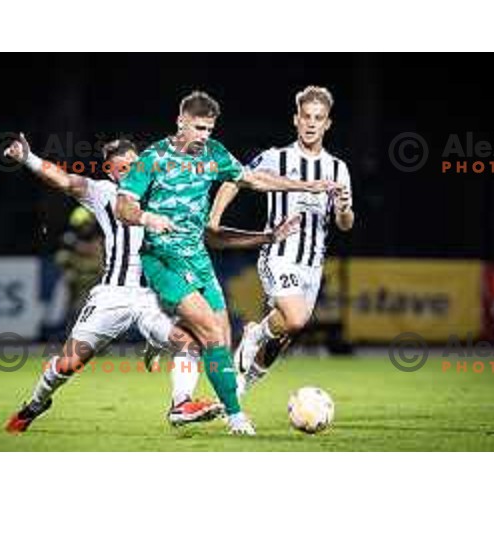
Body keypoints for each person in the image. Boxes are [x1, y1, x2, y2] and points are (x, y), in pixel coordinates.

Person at [3, 135, 299, 433]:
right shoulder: (105, 193)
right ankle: (36, 403)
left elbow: (211, 234)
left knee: (191, 343)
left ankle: (181, 403)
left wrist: (266, 236)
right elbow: (65, 181)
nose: (130, 172)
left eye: (134, 165)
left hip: (153, 296)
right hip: (113, 295)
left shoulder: (170, 190)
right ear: (111, 172)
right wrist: (29, 158)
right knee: (69, 363)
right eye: (122, 168)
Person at [116, 90, 338, 435]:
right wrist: (147, 218)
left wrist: (305, 186)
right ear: (181, 122)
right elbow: (123, 207)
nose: (204, 136)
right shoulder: (153, 158)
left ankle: (174, 367)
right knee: (208, 330)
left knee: (221, 333)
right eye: (198, 128)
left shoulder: (214, 154)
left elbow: (254, 179)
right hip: (162, 257)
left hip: (198, 258)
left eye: (209, 129)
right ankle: (234, 416)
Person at [209, 85, 354, 395]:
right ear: (296, 120)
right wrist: (215, 218)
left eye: (319, 117)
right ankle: (257, 332)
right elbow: (236, 178)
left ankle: (241, 386)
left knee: (285, 335)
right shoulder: (277, 158)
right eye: (306, 117)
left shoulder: (338, 169)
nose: (312, 123)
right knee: (297, 319)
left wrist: (344, 209)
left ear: (327, 123)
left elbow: (345, 223)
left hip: (313, 265)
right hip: (279, 253)